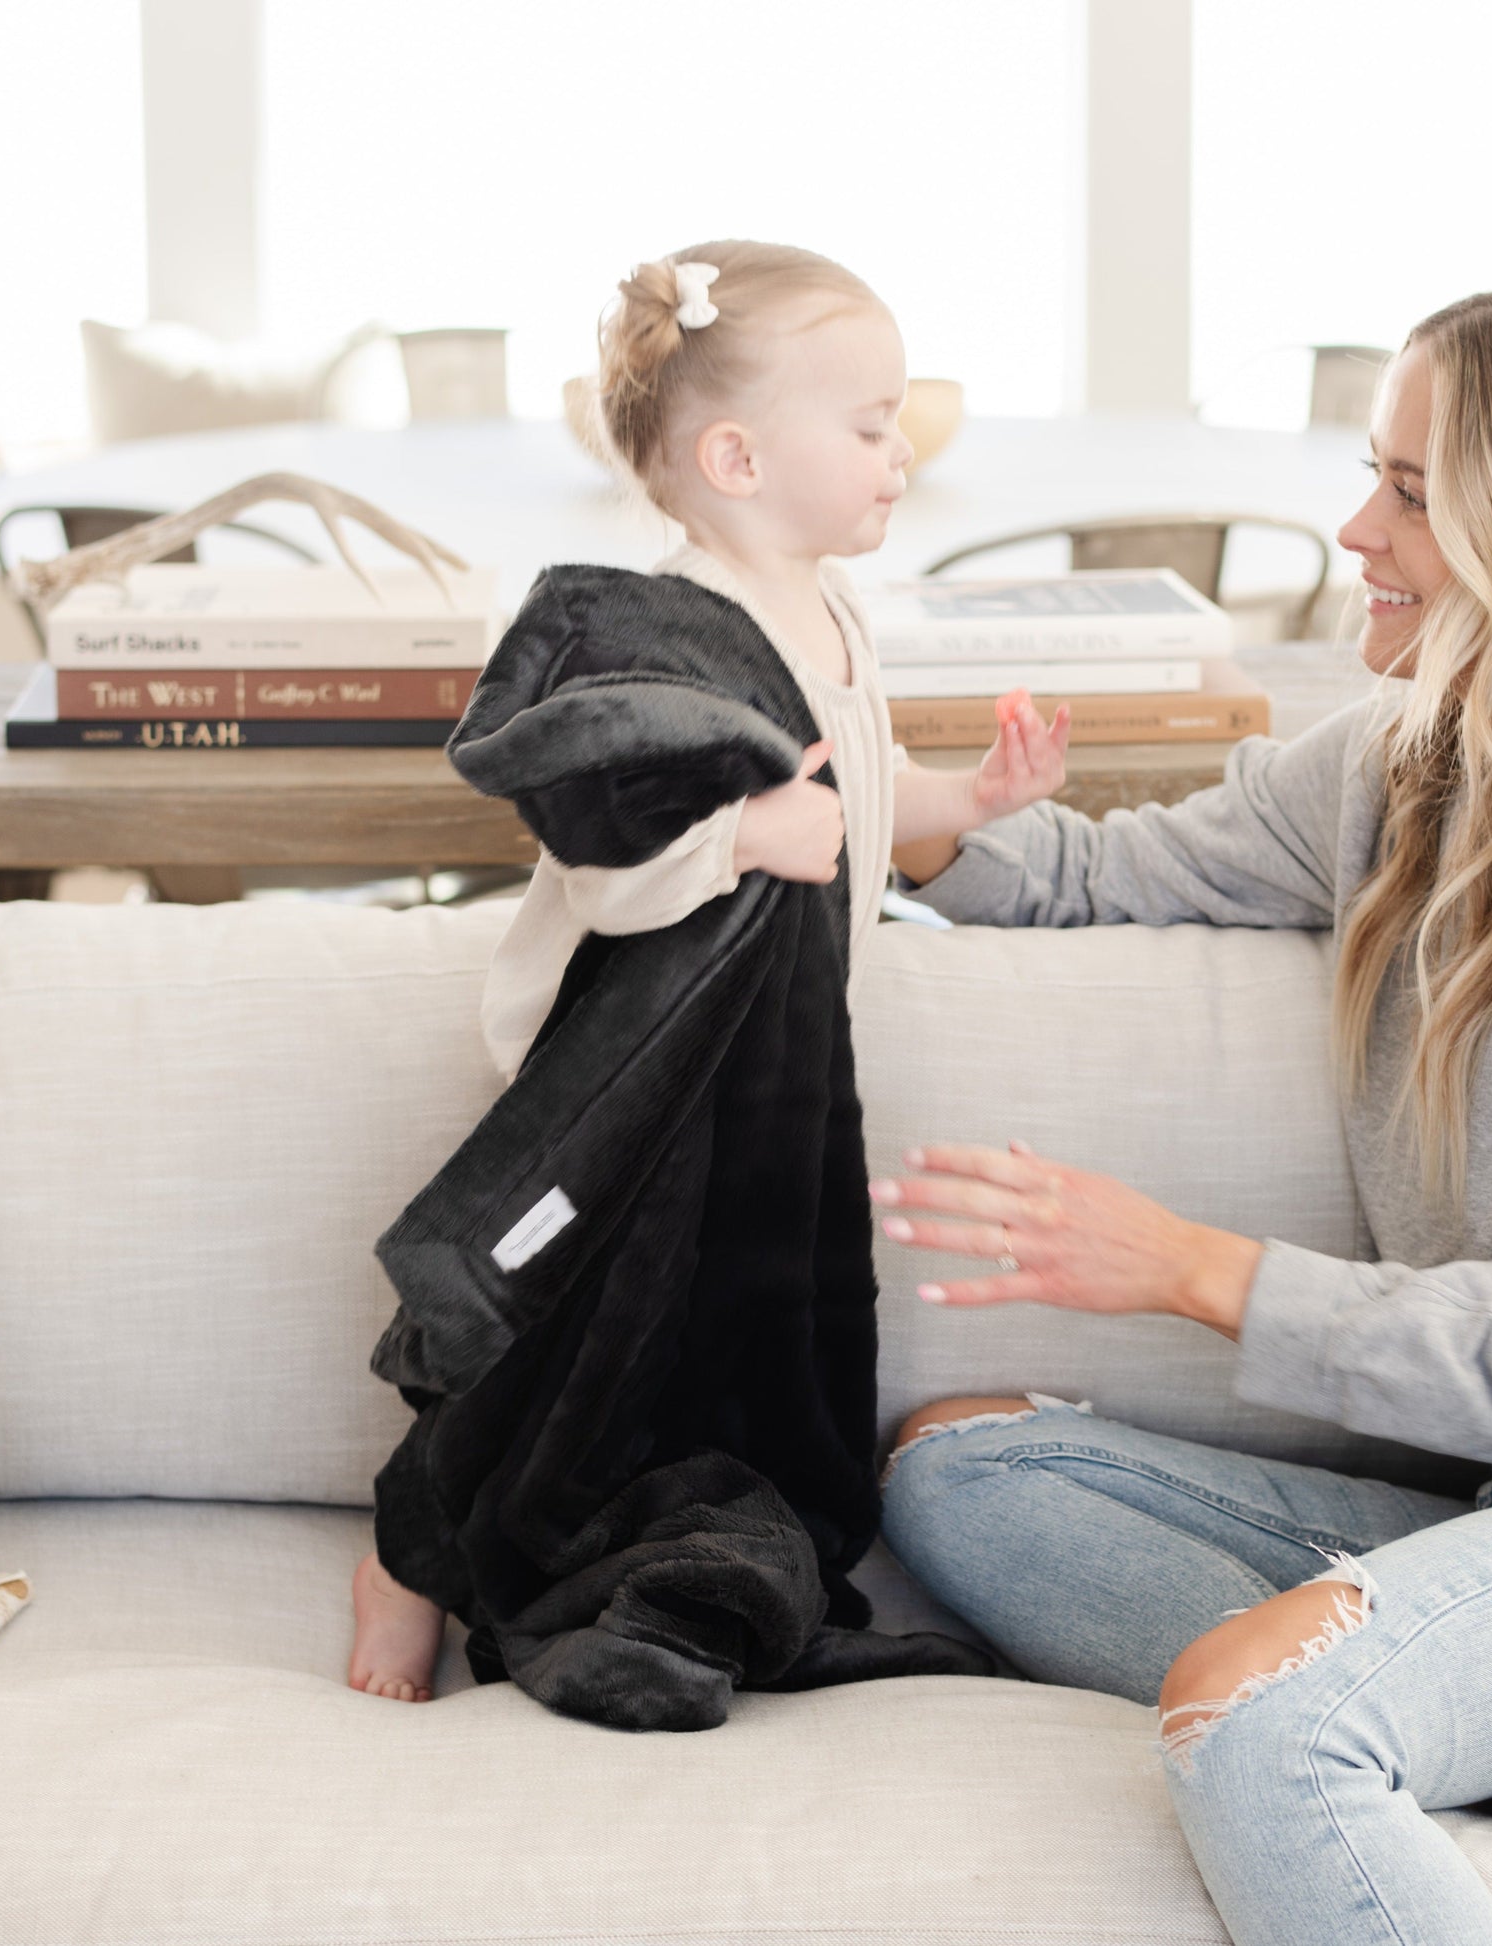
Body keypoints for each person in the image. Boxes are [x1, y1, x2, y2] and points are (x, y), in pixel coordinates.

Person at [875, 287, 1492, 1946]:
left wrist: (1195, 1268)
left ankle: (1431, 1702)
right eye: (1374, 475)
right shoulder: (1408, 769)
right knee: (959, 1467)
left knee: (1260, 1714)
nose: (1355, 529)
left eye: (1410, 491)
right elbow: (1098, 872)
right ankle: (1480, 1725)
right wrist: (869, 790)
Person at [348, 239, 1070, 1704]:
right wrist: (740, 827)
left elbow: (859, 800)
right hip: (640, 1077)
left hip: (771, 1072)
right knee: (558, 1329)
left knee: (710, 1339)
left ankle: (692, 1551)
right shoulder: (650, 632)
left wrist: (971, 805)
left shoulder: (830, 613)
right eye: (868, 427)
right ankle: (411, 1554)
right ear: (736, 455)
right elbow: (605, 855)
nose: (898, 456)